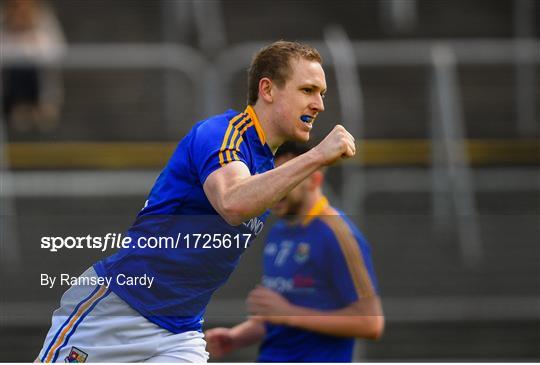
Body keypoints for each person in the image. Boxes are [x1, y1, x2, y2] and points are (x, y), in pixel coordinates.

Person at [37, 40, 356, 363]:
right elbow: (233, 203)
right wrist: (317, 156)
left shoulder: (264, 162)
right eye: (308, 90)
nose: (319, 104)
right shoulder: (221, 133)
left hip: (181, 333)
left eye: (322, 94)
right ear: (268, 90)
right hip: (118, 309)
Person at [205, 142, 384, 362]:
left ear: (314, 180)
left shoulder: (337, 234)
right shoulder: (278, 231)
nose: (274, 189)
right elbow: (279, 314)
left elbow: (371, 323)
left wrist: (290, 314)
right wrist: (236, 337)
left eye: (286, 179)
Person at [1, 0, 66, 132]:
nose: (21, 9)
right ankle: (18, 108)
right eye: (17, 6)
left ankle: (38, 109)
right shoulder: (3, 22)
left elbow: (58, 52)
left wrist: (31, 39)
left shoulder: (45, 22)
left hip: (40, 85)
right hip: (9, 87)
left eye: (25, 5)